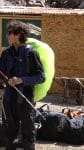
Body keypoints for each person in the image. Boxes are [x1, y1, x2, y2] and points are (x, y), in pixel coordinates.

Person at [0, 20, 45, 150]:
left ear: (19, 34)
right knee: (10, 133)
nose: (7, 36)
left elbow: (41, 77)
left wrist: (21, 80)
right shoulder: (6, 53)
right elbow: (1, 74)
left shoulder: (31, 54)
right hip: (8, 100)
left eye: (10, 33)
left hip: (25, 100)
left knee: (28, 133)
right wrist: (4, 81)